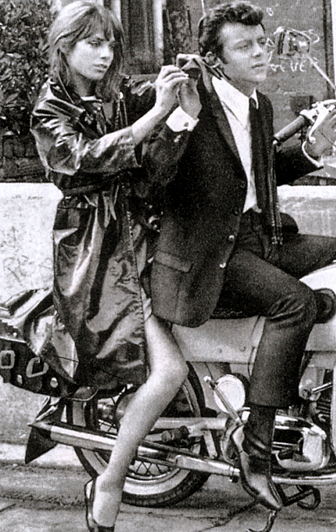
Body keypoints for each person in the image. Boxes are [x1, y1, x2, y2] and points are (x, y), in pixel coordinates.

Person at [144, 1, 336, 511]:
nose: (260, 53)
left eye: (262, 42)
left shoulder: (258, 105)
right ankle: (256, 451)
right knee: (296, 302)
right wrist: (182, 117)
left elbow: (257, 174)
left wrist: (313, 149)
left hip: (261, 238)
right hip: (206, 256)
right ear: (215, 60)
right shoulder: (191, 103)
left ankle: (323, 399)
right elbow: (153, 176)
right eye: (245, 46)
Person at [30, 2, 201, 531]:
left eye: (111, 44)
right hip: (102, 253)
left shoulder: (120, 96)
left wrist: (183, 103)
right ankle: (111, 479)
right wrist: (157, 115)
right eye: (93, 43)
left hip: (149, 237)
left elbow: (156, 157)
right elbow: (83, 160)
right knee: (169, 370)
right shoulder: (49, 110)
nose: (106, 54)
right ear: (65, 47)